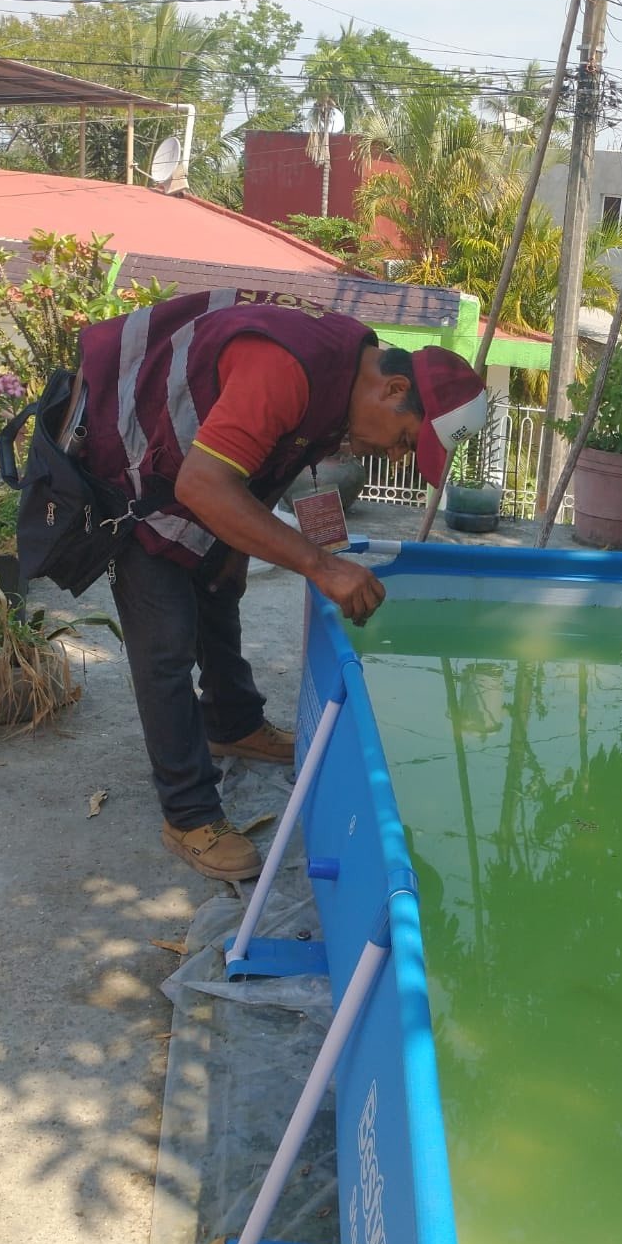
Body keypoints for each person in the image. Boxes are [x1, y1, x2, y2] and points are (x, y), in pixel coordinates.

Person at [67, 289, 487, 881]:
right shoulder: (290, 369)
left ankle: (232, 726)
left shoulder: (345, 378)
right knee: (164, 638)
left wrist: (236, 549)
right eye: (404, 439)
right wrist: (323, 565)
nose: (395, 456)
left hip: (191, 463)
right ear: (393, 390)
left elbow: (268, 462)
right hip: (132, 458)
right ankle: (188, 813)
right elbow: (203, 487)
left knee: (218, 583)